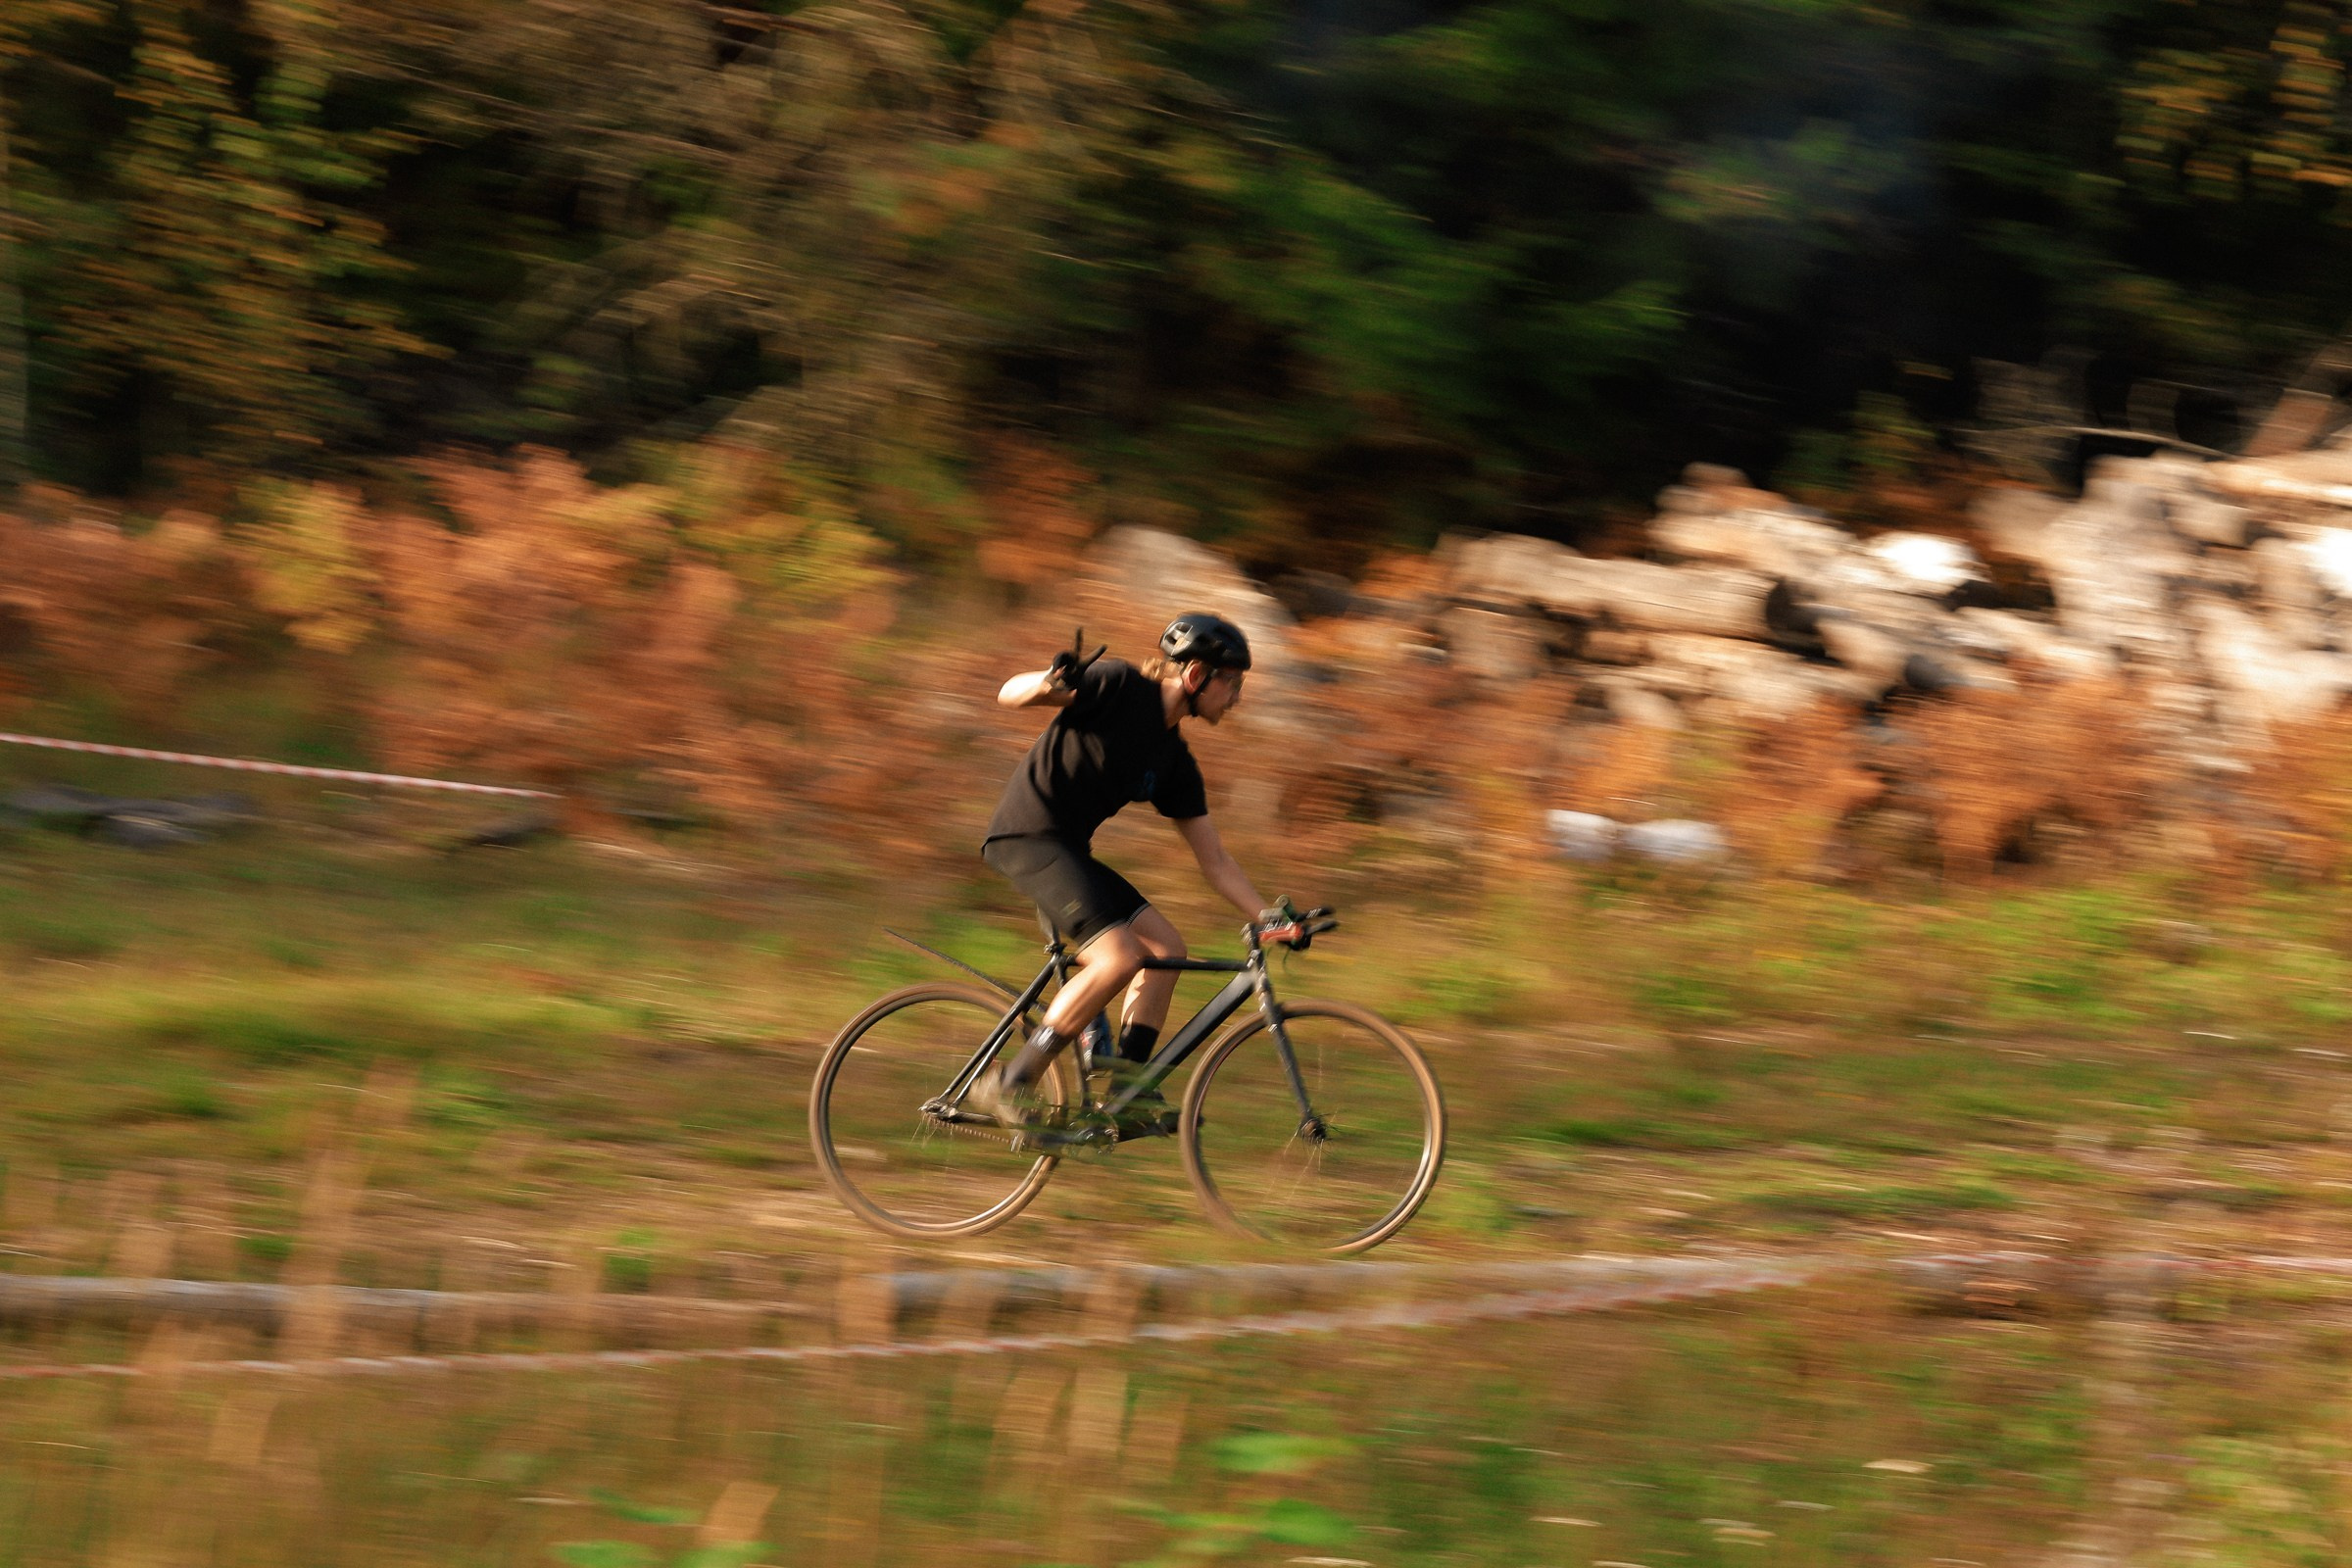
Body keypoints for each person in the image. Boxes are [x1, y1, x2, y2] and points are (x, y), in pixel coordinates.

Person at [974, 612, 1296, 1133]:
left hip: (1070, 852)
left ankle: (1127, 1094)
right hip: (1026, 839)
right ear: (1196, 675)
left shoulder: (1173, 761)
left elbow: (1215, 860)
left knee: (1167, 950)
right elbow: (1009, 694)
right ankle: (1010, 1082)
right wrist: (1049, 683)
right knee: (1119, 957)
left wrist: (1271, 918)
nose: (1236, 697)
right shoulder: (1118, 685)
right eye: (1232, 683)